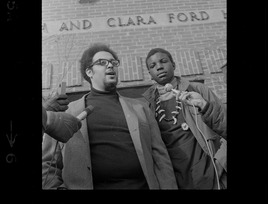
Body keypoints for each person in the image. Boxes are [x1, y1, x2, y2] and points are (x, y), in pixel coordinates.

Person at [42, 43, 177, 190]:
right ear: (89, 72)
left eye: (113, 62)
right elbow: (47, 163)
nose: (110, 66)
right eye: (102, 63)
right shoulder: (66, 112)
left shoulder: (141, 108)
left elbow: (161, 157)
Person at [142, 48, 227, 189]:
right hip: (175, 181)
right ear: (150, 74)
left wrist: (220, 163)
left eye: (163, 61)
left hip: (210, 176)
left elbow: (223, 125)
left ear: (173, 65)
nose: (159, 67)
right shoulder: (146, 105)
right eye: (153, 66)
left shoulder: (198, 90)